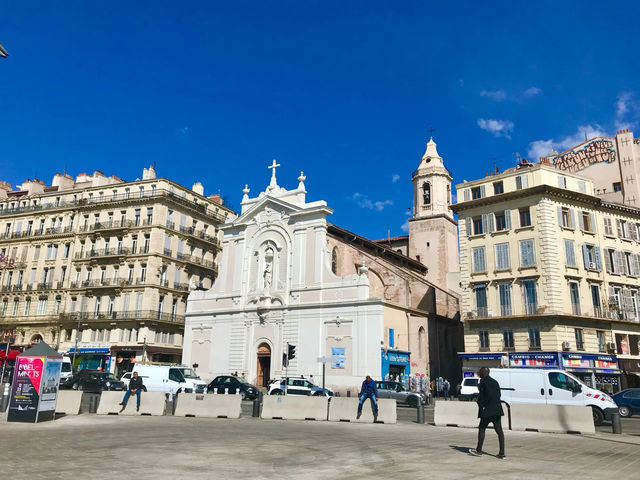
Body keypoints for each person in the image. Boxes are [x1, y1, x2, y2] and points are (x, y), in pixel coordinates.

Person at [469, 367, 505, 459]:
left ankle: (479, 450)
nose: (479, 373)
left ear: (483, 373)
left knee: (482, 428)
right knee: (499, 431)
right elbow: (498, 395)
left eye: (480, 372)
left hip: (487, 410)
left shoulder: (483, 382)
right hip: (497, 409)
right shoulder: (495, 382)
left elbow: (485, 395)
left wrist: (480, 402)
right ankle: (502, 453)